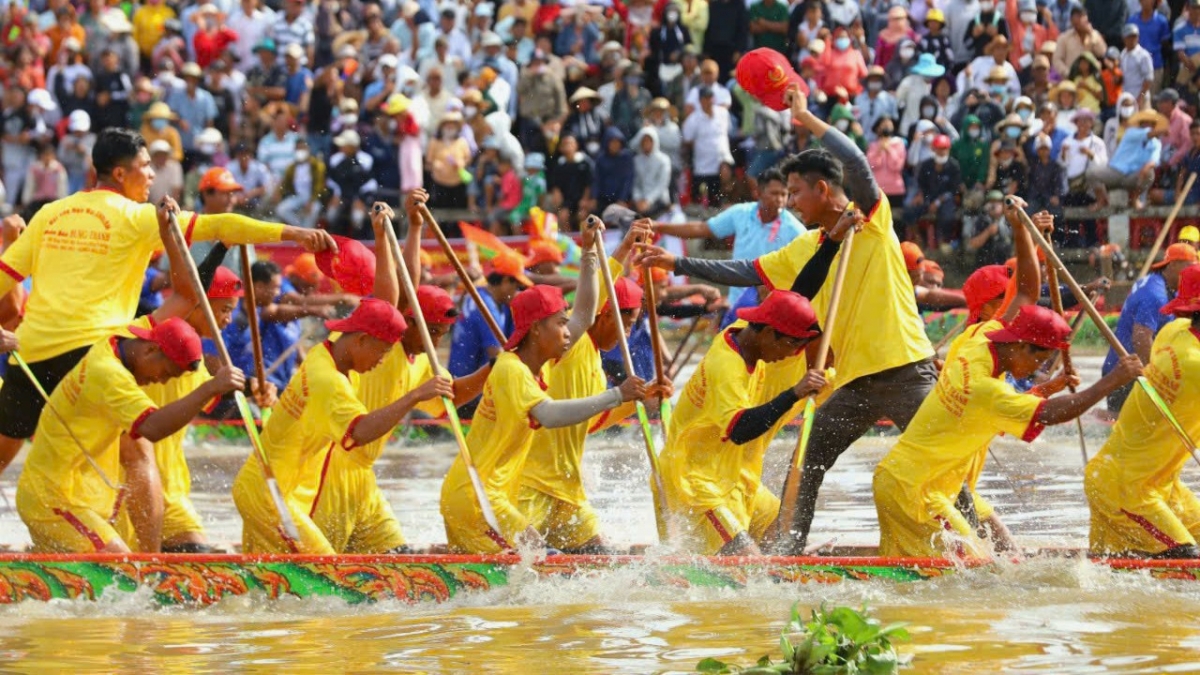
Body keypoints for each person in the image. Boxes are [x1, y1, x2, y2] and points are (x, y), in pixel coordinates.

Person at [637, 83, 939, 554]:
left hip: (905, 368)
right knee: (809, 455)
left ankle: (983, 555)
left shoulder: (871, 220)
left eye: (796, 192)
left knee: (934, 463)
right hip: (856, 378)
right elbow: (744, 270)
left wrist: (808, 119)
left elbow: (857, 164)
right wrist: (677, 265)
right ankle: (789, 554)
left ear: (822, 190)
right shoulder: (809, 246)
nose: (792, 203)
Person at [0, 129, 334, 476]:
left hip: (33, 353)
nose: (152, 175)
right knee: (138, 453)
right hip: (95, 353)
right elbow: (220, 228)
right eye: (145, 166)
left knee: (7, 450)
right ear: (120, 173)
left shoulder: (49, 214)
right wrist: (293, 233)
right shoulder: (138, 216)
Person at [873, 197, 1144, 559]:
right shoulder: (985, 387)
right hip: (916, 491)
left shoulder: (978, 338)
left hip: (924, 484)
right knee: (980, 581)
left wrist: (1021, 230)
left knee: (975, 573)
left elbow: (1028, 292)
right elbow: (1051, 415)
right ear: (1021, 346)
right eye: (1039, 361)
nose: (1035, 369)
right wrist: (1110, 382)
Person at [441, 220, 648, 554]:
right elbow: (549, 415)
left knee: (590, 565)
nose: (571, 331)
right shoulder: (512, 369)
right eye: (561, 324)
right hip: (478, 497)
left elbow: (584, 310)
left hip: (506, 493)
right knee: (543, 565)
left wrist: (589, 252)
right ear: (537, 329)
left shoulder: (537, 366)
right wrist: (618, 394)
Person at [310, 200, 490, 554]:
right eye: (432, 331)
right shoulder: (386, 339)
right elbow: (400, 291)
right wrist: (403, 229)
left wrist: (491, 372)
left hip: (364, 477)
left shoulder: (421, 362)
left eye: (441, 333)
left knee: (400, 560)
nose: (435, 341)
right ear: (408, 321)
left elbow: (450, 402)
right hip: (331, 471)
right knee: (320, 573)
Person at [16, 316, 245, 553]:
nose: (161, 380)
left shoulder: (118, 343)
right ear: (151, 349)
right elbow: (153, 428)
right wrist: (209, 388)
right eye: (165, 372)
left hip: (80, 501)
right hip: (52, 500)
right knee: (123, 570)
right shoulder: (108, 374)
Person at [519, 223, 661, 553]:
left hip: (568, 488)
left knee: (604, 564)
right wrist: (620, 248)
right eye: (625, 323)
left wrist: (637, 400)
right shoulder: (571, 341)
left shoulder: (597, 365)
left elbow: (591, 424)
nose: (627, 333)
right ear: (604, 315)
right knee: (520, 568)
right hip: (532, 484)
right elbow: (594, 291)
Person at [661, 290, 829, 555]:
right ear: (768, 333)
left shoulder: (746, 331)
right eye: (790, 345)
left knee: (787, 534)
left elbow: (794, 294)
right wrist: (793, 393)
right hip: (696, 481)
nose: (793, 354)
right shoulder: (727, 367)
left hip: (733, 474)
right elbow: (740, 430)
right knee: (747, 562)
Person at [1085, 263, 1200, 558]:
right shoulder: (1193, 365)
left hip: (1156, 483)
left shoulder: (1175, 330)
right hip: (1126, 490)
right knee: (1188, 561)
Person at [1101, 243, 1198, 413]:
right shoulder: (1155, 294)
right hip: (1126, 373)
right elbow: (1141, 338)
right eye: (1189, 267)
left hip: (1126, 368)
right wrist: (1157, 379)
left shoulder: (1162, 284)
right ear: (1173, 265)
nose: (1192, 272)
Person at [448, 252, 525, 417]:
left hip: (460, 381)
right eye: (517, 287)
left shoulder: (479, 293)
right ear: (505, 281)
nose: (518, 292)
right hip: (468, 395)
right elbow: (497, 359)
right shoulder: (487, 310)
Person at [681, 86, 733, 206]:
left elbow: (728, 131)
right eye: (705, 98)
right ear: (700, 101)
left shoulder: (723, 113)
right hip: (703, 164)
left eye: (710, 98)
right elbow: (687, 139)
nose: (708, 101)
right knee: (704, 196)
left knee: (725, 186)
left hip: (722, 157)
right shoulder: (693, 119)